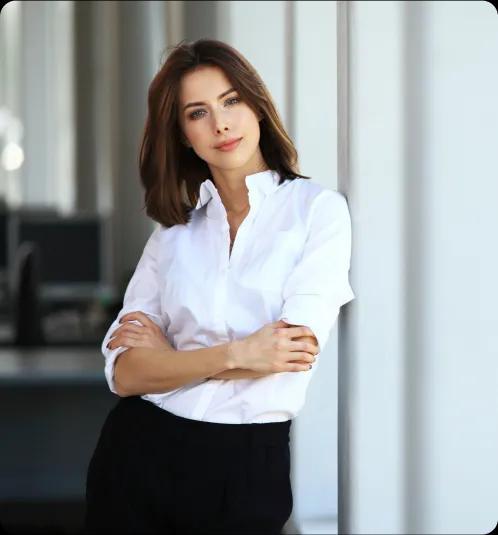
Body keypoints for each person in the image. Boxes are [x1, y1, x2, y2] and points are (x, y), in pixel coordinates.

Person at [83, 38, 355, 535]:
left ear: (257, 105)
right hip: (139, 453)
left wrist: (170, 359)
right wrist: (236, 354)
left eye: (231, 101)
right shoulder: (172, 234)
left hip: (245, 463)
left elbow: (290, 352)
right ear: (183, 134)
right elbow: (124, 374)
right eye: (197, 113)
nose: (221, 124)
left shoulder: (317, 212)